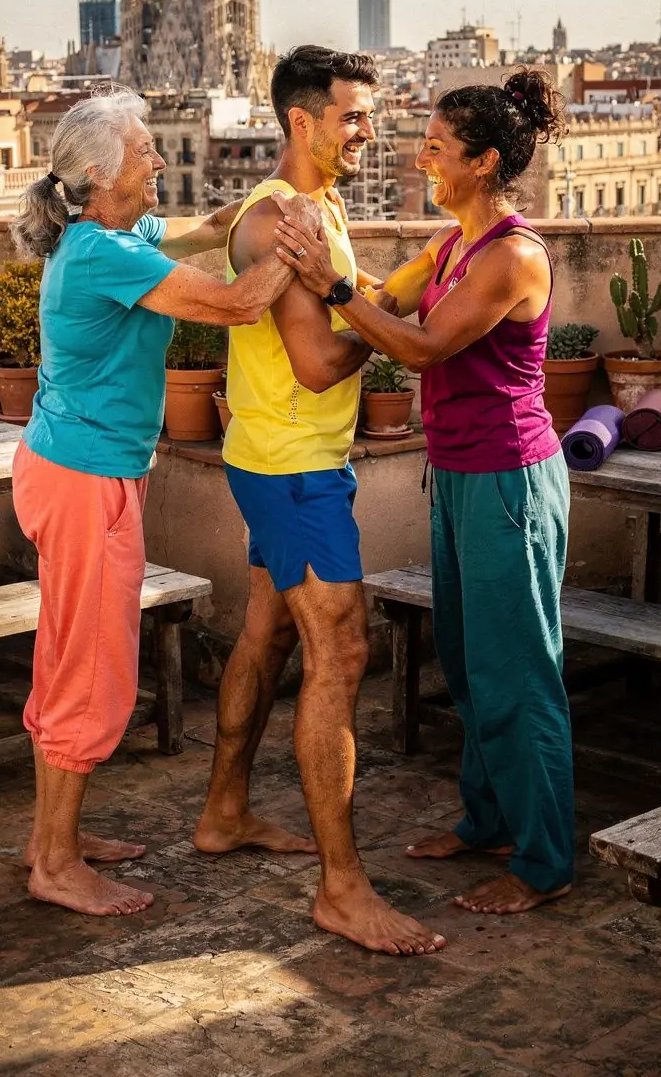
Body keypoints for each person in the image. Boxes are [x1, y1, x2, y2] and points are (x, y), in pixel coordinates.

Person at [10, 86, 319, 918]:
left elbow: (208, 228)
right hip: (83, 482)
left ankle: (50, 839)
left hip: (72, 468)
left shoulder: (115, 233)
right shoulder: (103, 255)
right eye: (145, 150)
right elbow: (239, 303)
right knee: (91, 670)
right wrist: (302, 243)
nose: (158, 159)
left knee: (65, 657)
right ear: (102, 175)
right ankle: (57, 865)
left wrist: (268, 199)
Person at [274, 68, 574, 917]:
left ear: (483, 163)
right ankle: (489, 822)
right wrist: (313, 265)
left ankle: (544, 861)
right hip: (460, 473)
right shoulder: (451, 246)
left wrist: (332, 287)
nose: (421, 159)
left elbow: (421, 345)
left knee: (519, 674)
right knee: (474, 666)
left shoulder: (513, 256)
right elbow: (386, 298)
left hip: (510, 483)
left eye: (437, 148)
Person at [195, 46, 446, 957]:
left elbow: (351, 298)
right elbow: (315, 361)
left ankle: (224, 813)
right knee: (340, 648)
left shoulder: (321, 208)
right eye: (354, 116)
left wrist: (395, 285)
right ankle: (342, 889)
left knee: (267, 632)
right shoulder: (278, 221)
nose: (369, 130)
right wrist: (387, 329)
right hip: (293, 466)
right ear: (301, 121)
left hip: (284, 458)